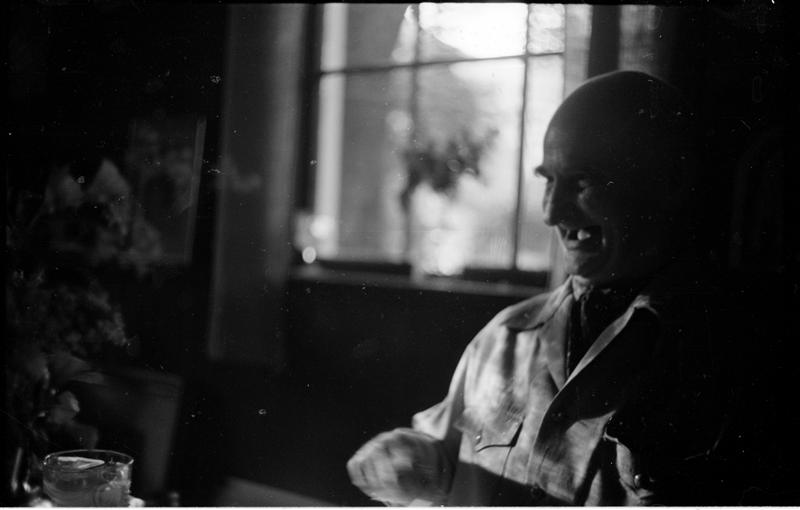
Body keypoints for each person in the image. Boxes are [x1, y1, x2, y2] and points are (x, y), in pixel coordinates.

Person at [346, 71, 790, 505]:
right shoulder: (504, 338)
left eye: (583, 182)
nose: (552, 212)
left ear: (669, 183)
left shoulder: (730, 358)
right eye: (549, 181)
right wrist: (412, 461)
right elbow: (442, 461)